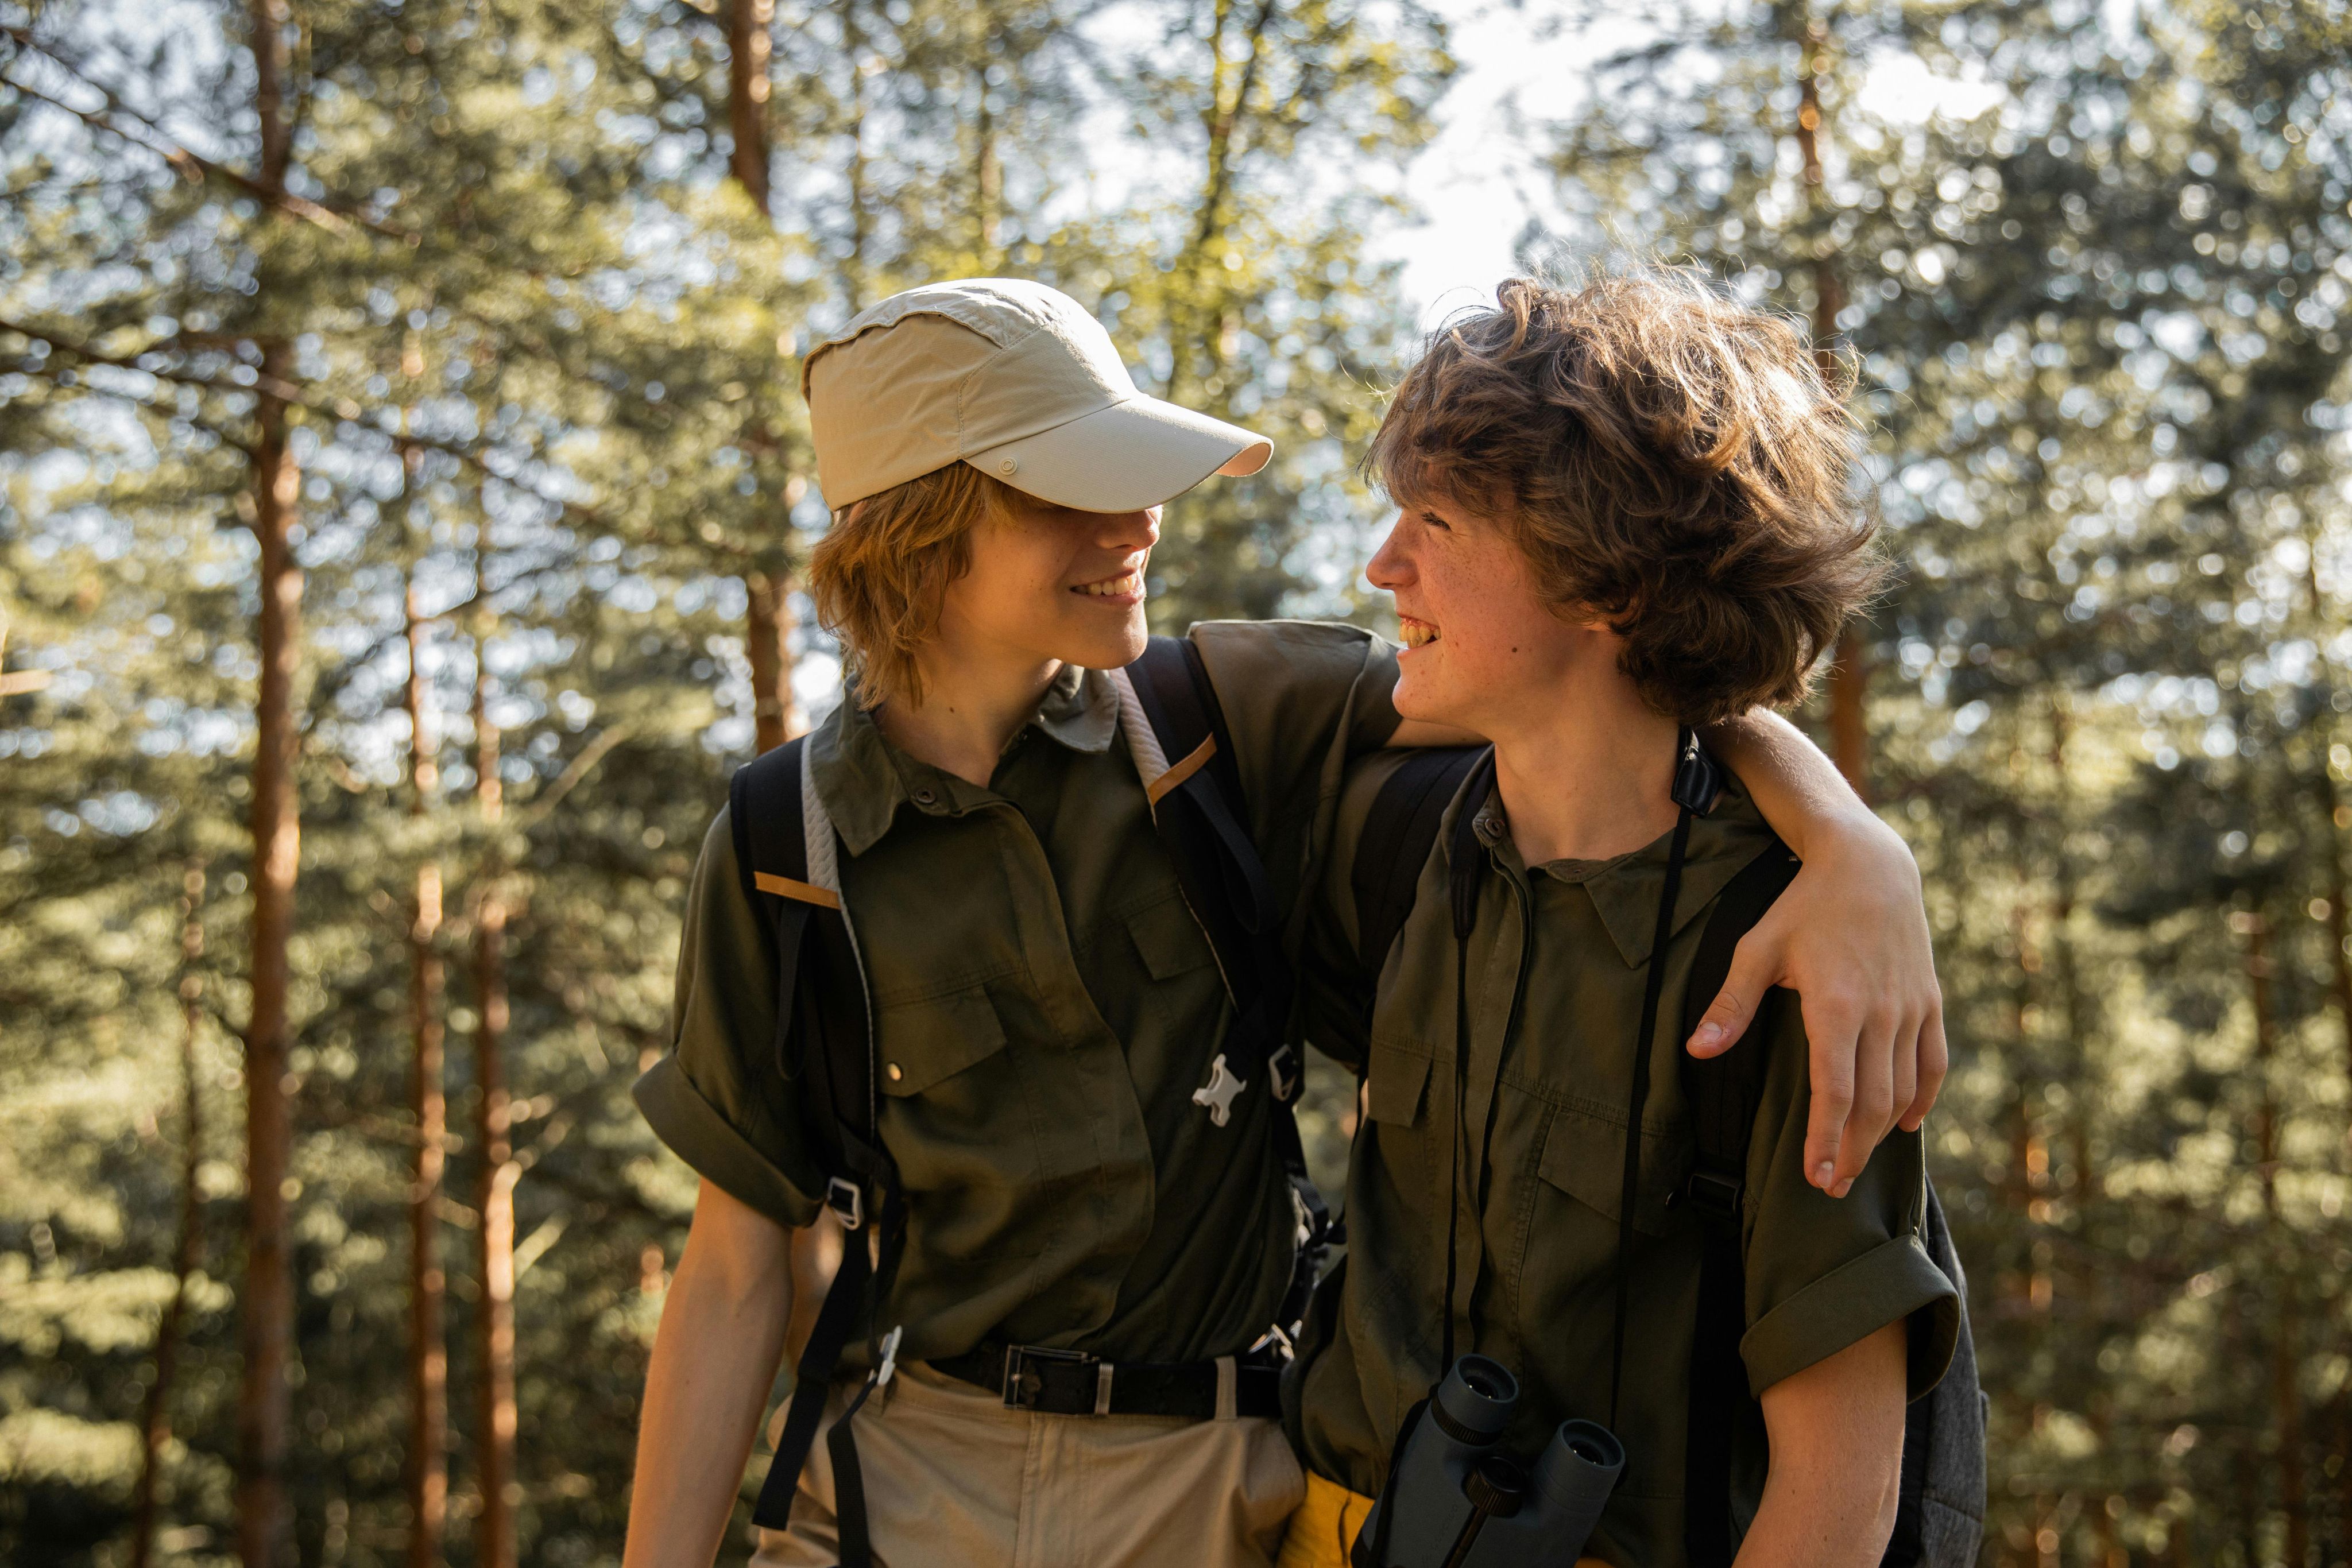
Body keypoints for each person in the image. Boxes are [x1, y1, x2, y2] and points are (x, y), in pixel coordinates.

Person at [618, 278, 1944, 1568]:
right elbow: (735, 1270)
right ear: (916, 531)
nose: (1140, 522)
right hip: (908, 1480)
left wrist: (1849, 842)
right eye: (1074, 487)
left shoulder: (1225, 720)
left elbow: (1615, 651)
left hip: (1214, 1488)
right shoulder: (777, 848)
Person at [1279, 273, 1963, 1568]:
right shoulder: (1385, 842)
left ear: (1607, 586)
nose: (1381, 565)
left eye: (1434, 521)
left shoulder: (1790, 961)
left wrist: (1849, 851)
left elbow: (1834, 1501)